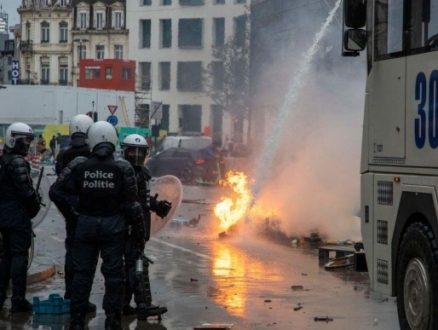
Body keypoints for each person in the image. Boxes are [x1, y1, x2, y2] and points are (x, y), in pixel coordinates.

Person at [49, 121, 143, 330]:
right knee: (113, 276)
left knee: (82, 275)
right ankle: (112, 321)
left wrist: (73, 216)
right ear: (113, 141)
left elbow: (56, 192)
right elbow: (134, 205)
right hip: (114, 228)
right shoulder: (123, 167)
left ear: (91, 140)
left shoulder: (79, 165)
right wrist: (138, 234)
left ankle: (76, 321)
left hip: (85, 225)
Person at [120, 134, 170, 320]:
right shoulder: (122, 171)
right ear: (125, 151)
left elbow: (142, 198)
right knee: (139, 264)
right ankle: (143, 305)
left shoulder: (144, 172)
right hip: (127, 227)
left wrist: (156, 206)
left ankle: (125, 304)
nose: (137, 155)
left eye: (141, 151)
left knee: (131, 265)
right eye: (133, 150)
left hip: (141, 226)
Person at [53, 114, 96, 313]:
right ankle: (82, 299)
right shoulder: (92, 153)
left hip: (70, 210)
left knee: (71, 252)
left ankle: (70, 294)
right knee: (88, 258)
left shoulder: (63, 154)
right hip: (89, 210)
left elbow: (59, 182)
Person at [0, 123, 40, 312]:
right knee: (19, 256)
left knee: (6, 256)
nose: (27, 144)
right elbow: (26, 191)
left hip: (3, 214)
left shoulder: (3, 160)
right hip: (16, 215)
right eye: (24, 140)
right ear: (13, 139)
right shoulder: (17, 161)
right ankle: (18, 299)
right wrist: (34, 207)